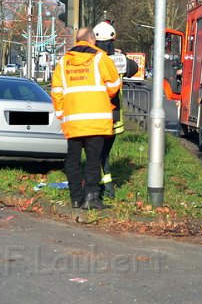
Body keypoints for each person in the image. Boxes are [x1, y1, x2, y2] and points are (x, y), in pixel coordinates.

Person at [51, 27, 121, 210]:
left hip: (73, 120)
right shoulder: (100, 58)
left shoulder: (63, 61)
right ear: (92, 40)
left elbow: (57, 91)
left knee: (72, 160)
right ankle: (91, 198)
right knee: (93, 160)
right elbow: (114, 85)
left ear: (77, 40)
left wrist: (61, 113)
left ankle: (75, 198)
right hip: (96, 119)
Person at [92, 20, 138, 200]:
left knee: (97, 153)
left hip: (94, 113)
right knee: (104, 152)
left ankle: (103, 187)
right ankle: (108, 187)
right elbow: (133, 68)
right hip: (114, 115)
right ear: (113, 40)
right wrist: (121, 55)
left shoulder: (91, 58)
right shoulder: (121, 60)